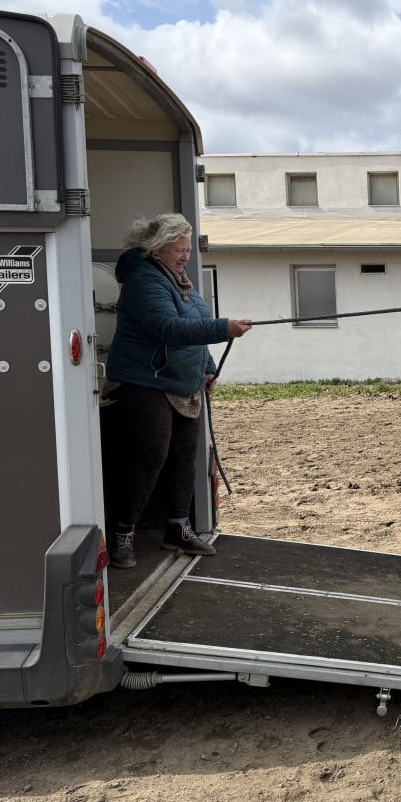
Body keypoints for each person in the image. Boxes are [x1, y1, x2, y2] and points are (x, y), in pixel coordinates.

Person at [104, 213, 252, 569]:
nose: (186, 255)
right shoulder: (144, 280)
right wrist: (223, 328)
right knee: (149, 459)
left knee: (186, 458)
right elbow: (170, 328)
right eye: (179, 248)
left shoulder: (179, 279)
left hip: (183, 385)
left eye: (188, 249)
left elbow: (195, 327)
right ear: (158, 248)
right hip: (148, 382)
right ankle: (122, 533)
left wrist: (207, 367)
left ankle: (178, 527)